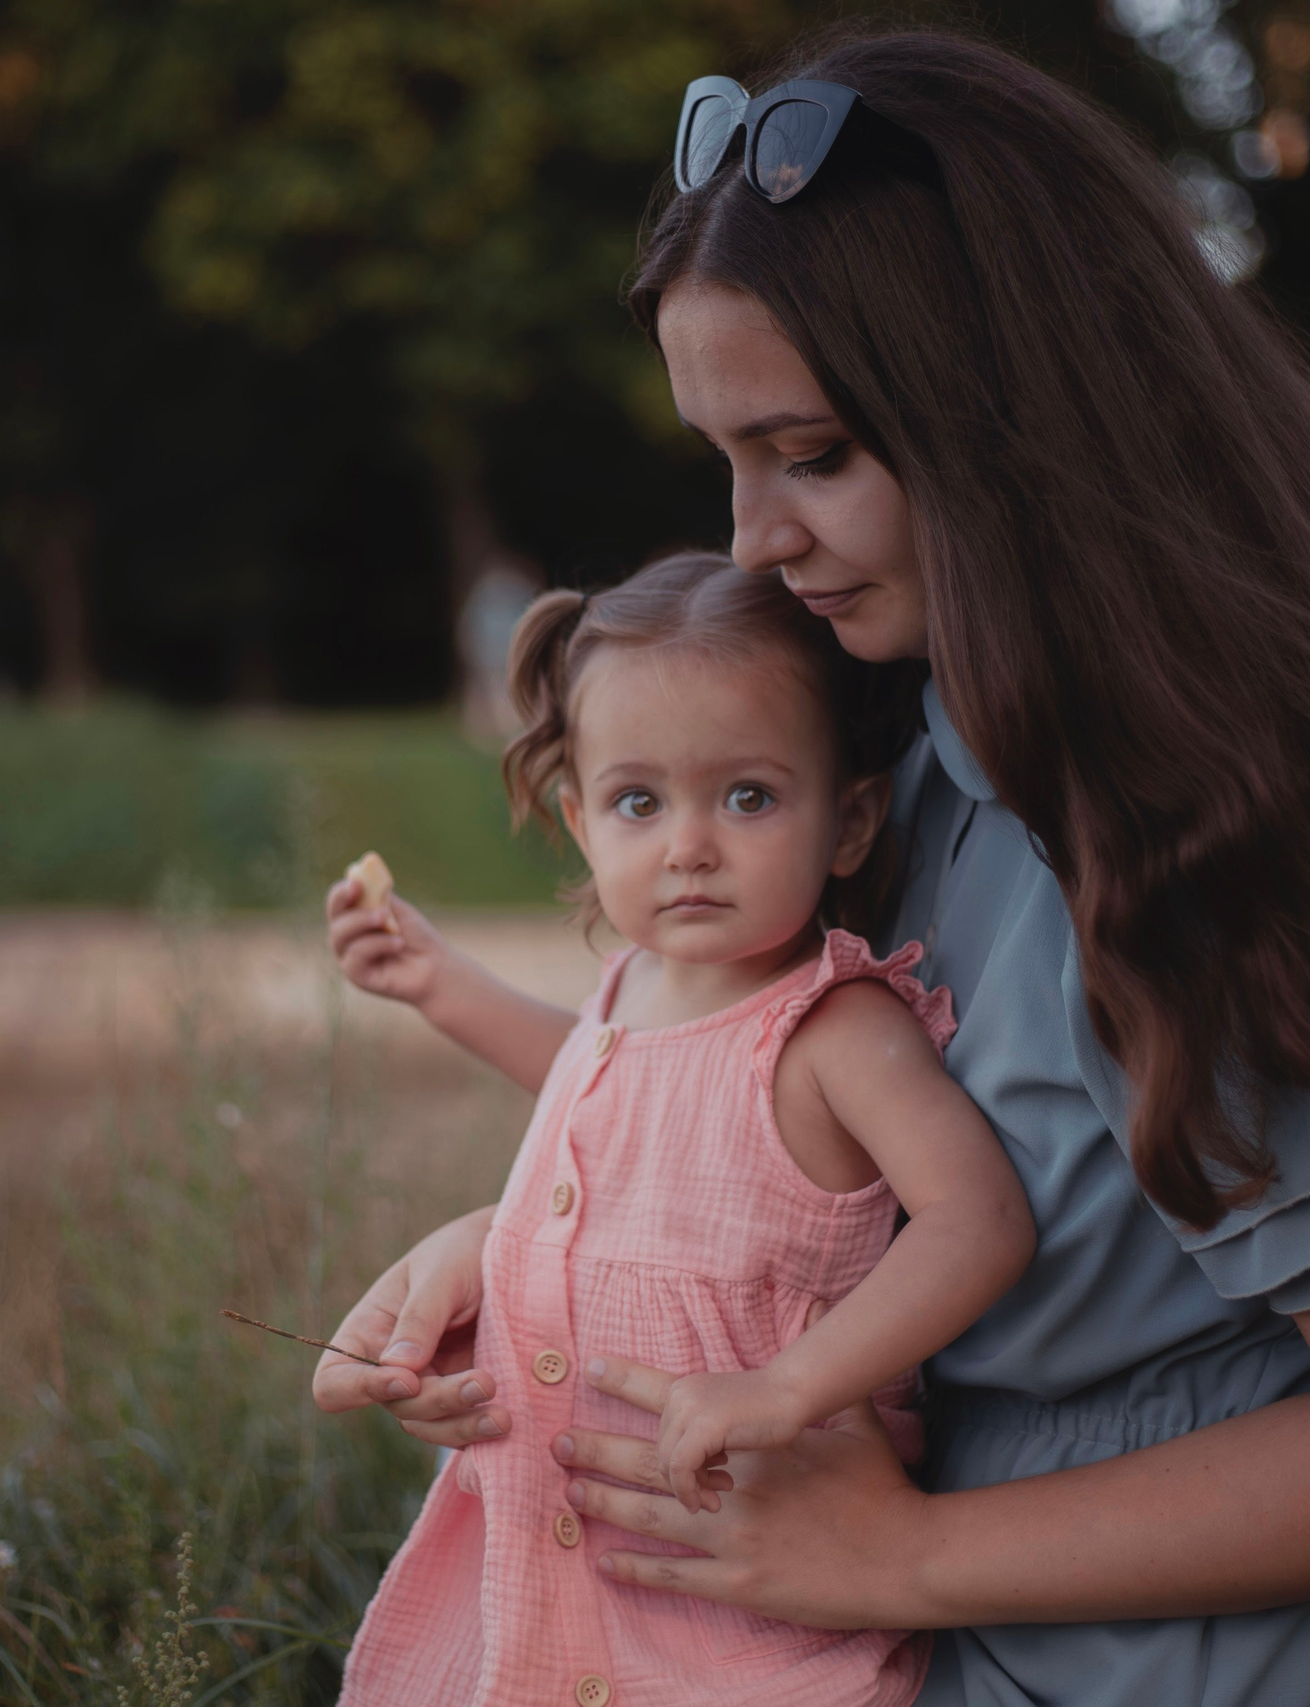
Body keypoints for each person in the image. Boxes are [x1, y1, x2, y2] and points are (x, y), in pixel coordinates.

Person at [314, 27, 1310, 1707]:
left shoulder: (1245, 808)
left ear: (1021, 416)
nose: (751, 545)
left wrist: (895, 1557)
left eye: (816, 456)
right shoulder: (898, 742)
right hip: (962, 1605)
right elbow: (800, 1135)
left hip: (1257, 1654)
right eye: (727, 458)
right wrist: (516, 1252)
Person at [323, 553, 1035, 1706]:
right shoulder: (634, 987)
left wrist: (788, 1385)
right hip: (558, 1568)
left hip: (740, 1606)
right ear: (580, 820)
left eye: (747, 796)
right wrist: (436, 982)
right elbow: (607, 1083)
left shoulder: (835, 1029)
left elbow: (981, 1223)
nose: (688, 845)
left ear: (848, 819)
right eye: (638, 803)